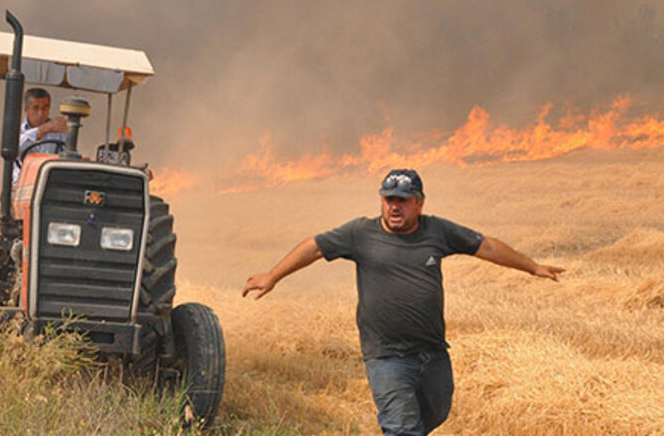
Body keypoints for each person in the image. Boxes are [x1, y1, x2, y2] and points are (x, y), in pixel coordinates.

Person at [242, 168, 565, 436]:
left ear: (419, 203)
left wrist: (533, 267)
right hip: (386, 356)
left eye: (403, 201)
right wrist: (273, 276)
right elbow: (313, 247)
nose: (394, 207)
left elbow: (487, 247)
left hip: (433, 352)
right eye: (388, 200)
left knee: (436, 414)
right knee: (401, 428)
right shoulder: (360, 233)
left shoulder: (437, 230)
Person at [14, 87, 68, 183]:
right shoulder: (16, 129)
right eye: (36, 108)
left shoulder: (59, 133)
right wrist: (43, 130)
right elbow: (15, 148)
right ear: (26, 110)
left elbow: (67, 157)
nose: (40, 113)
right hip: (21, 183)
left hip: (48, 183)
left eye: (45, 108)